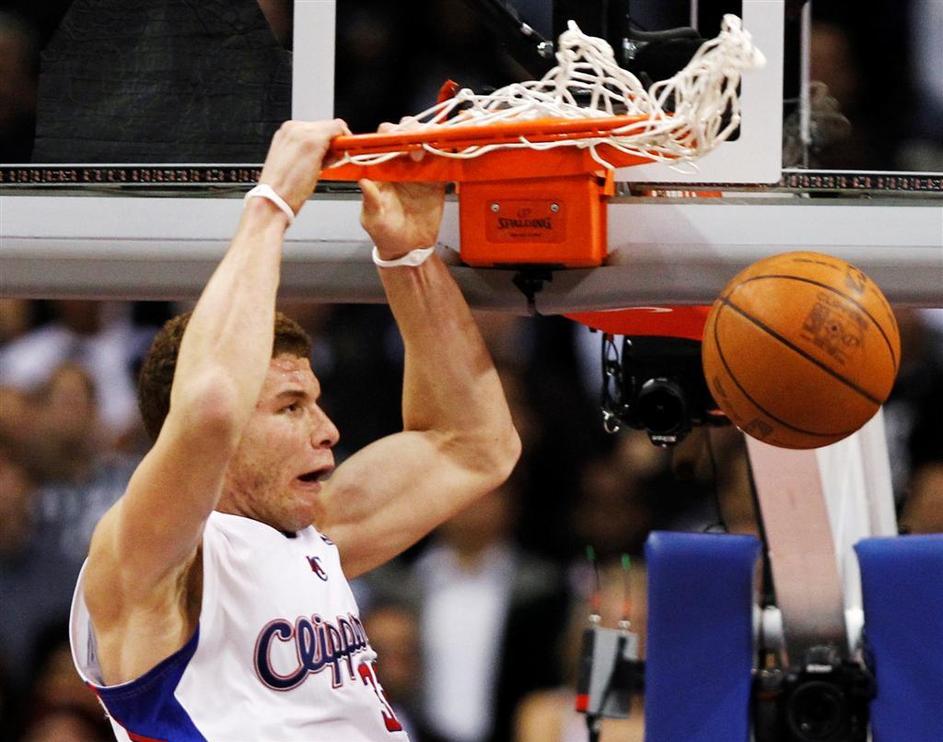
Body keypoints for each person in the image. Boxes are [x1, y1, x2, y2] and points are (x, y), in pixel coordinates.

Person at [68, 119, 521, 740]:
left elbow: (475, 446)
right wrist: (273, 201)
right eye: (290, 407)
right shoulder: (152, 555)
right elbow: (210, 406)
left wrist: (410, 257)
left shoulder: (315, 534)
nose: (328, 430)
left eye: (315, 401)